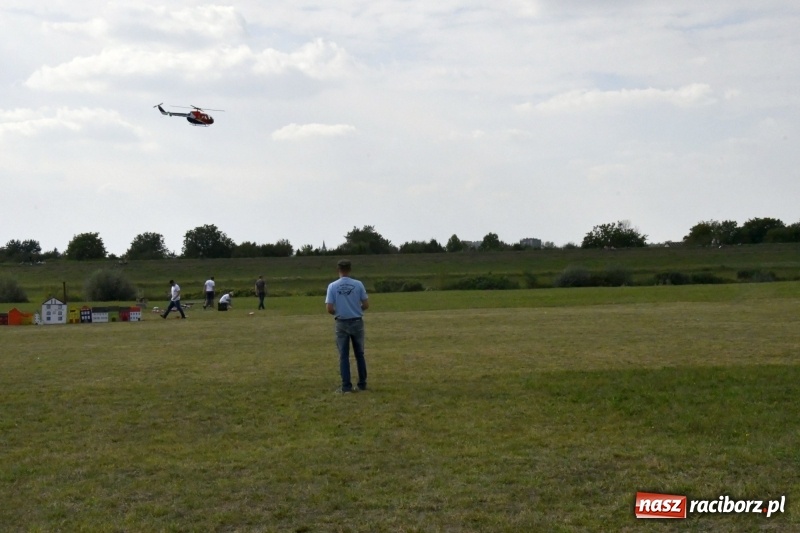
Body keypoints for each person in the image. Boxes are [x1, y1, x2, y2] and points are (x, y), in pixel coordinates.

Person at [325, 259, 369, 393]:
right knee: (359, 354)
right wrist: (356, 308)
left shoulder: (332, 286)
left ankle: (346, 386)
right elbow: (366, 305)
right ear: (350, 270)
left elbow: (329, 308)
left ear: (338, 270)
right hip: (357, 321)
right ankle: (362, 384)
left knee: (343, 355)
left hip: (341, 322)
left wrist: (339, 312)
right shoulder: (358, 284)